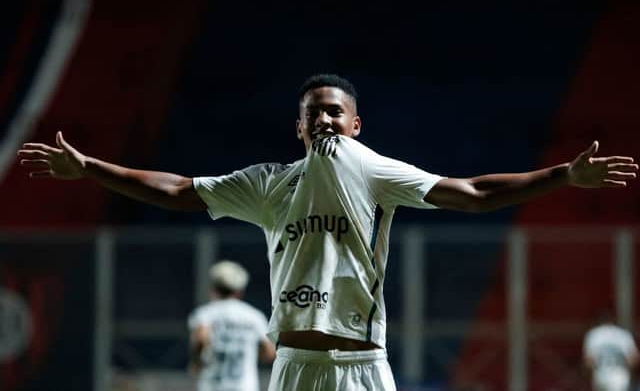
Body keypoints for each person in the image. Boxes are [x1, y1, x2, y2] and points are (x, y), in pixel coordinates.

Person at [18, 74, 638, 390]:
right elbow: (178, 189)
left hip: (362, 367)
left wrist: (561, 175)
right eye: (313, 111)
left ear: (356, 125)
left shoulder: (370, 171)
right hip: (293, 367)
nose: (323, 118)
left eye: (334, 110)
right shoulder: (268, 184)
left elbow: (473, 193)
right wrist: (90, 168)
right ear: (298, 128)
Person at [188, 260, 275, 391]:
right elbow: (269, 353)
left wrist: (196, 361)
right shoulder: (254, 316)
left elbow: (200, 339)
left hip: (213, 386)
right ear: (239, 291)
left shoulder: (205, 314)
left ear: (214, 288)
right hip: (244, 386)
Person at [583, 313, 639, 391]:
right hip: (619, 374)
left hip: (600, 374)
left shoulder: (594, 334)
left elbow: (588, 361)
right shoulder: (623, 334)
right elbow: (633, 358)